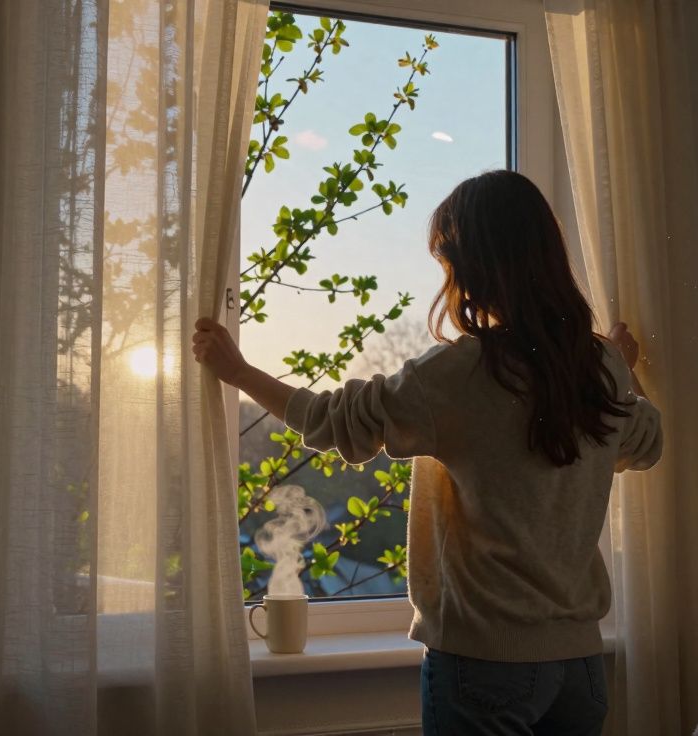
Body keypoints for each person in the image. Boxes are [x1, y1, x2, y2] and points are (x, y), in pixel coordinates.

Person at [193, 169, 662, 735]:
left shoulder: (460, 373)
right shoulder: (600, 365)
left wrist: (239, 372)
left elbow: (332, 421)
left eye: (448, 260)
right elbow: (645, 441)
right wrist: (622, 373)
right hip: (579, 672)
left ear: (475, 266)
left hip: (485, 666)